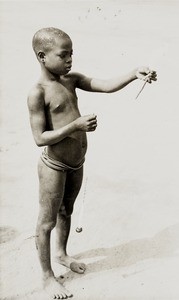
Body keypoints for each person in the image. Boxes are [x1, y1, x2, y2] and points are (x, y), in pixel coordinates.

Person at [27, 27, 157, 299]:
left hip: (76, 162)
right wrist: (75, 124)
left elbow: (104, 85)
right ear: (42, 56)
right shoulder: (38, 92)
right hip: (54, 165)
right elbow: (40, 138)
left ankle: (61, 254)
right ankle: (46, 277)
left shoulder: (71, 79)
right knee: (46, 222)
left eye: (72, 54)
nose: (70, 60)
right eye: (63, 55)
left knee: (67, 210)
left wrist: (134, 74)